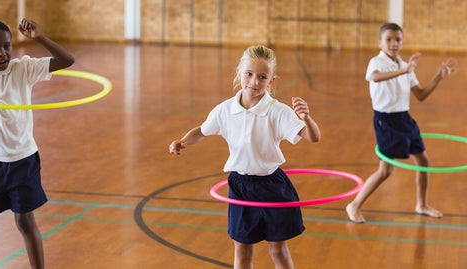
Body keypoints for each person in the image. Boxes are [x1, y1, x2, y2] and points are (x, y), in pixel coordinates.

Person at [169, 45, 320, 269]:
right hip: (240, 185)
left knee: (277, 248)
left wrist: (306, 118)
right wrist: (182, 141)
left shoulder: (277, 111)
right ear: (238, 73)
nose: (254, 81)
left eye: (262, 77)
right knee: (242, 250)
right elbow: (202, 131)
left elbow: (313, 137)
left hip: (272, 186)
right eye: (249, 74)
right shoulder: (224, 110)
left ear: (272, 81)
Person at [346, 22, 456, 224]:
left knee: (423, 162)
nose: (393, 43)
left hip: (405, 118)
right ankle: (354, 205)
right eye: (388, 39)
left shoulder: (406, 66)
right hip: (385, 121)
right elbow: (375, 78)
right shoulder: (376, 63)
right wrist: (404, 71)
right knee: (385, 171)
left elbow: (421, 95)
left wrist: (439, 76)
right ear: (380, 42)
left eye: (398, 40)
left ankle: (421, 204)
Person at [0, 19, 74, 268]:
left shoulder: (22, 68)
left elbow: (68, 61)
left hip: (22, 159)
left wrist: (39, 38)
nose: (2, 53)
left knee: (25, 221)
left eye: (6, 45)